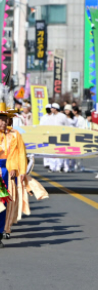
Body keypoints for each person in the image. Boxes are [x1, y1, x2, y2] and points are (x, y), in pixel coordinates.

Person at [0, 101, 28, 246]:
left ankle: (4, 229)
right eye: (0, 119)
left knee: (7, 202)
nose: (2, 122)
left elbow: (21, 154)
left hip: (8, 172)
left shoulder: (15, 135)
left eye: (4, 119)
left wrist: (20, 170)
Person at [46, 103, 69, 172]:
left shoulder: (63, 116)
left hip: (61, 136)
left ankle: (59, 166)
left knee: (60, 151)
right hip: (52, 136)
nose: (51, 109)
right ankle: (52, 167)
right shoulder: (50, 117)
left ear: (56, 108)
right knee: (52, 152)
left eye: (52, 108)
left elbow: (67, 126)